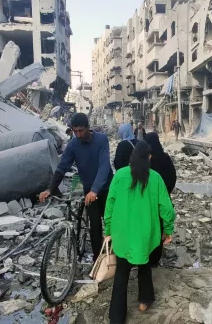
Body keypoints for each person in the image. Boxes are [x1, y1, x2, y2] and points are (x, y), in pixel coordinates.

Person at [104, 140, 175, 324]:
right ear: (149, 157)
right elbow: (166, 209)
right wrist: (168, 230)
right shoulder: (156, 178)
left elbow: (109, 205)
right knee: (144, 266)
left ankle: (117, 317)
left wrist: (108, 229)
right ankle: (144, 301)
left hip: (122, 235)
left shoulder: (119, 176)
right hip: (145, 235)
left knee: (121, 274)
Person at [39, 113, 113, 261]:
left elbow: (104, 167)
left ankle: (117, 256)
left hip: (106, 188)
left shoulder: (101, 140)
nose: (78, 135)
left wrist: (95, 189)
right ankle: (98, 260)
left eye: (81, 131)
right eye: (75, 131)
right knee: (95, 227)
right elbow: (62, 167)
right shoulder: (73, 145)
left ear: (88, 128)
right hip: (88, 190)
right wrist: (49, 188)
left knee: (112, 222)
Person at [144, 132, 176, 267]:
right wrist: (166, 192)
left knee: (147, 227)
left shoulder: (146, 160)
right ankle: (155, 259)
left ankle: (144, 255)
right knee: (159, 228)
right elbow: (172, 177)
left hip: (147, 200)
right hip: (162, 199)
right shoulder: (165, 158)